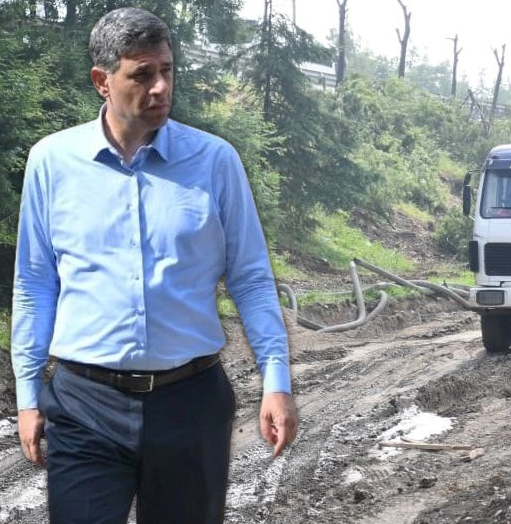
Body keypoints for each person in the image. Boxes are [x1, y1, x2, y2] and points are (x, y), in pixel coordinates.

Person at [11, 7, 297, 524]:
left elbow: (251, 279)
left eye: (167, 70)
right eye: (142, 75)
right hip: (83, 406)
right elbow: (35, 282)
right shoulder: (52, 162)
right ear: (103, 80)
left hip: (189, 405)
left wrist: (276, 380)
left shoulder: (215, 161)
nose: (161, 87)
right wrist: (29, 396)